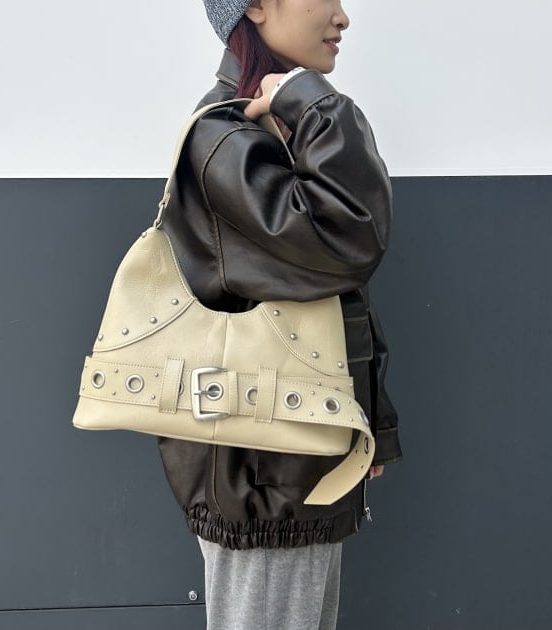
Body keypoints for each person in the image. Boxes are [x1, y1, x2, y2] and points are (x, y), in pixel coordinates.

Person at [156, 1, 403, 628]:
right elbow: (351, 241)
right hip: (266, 483)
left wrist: (368, 423)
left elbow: (332, 300)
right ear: (256, 7)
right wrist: (319, 103)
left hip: (294, 469)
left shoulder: (272, 130)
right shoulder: (228, 139)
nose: (343, 17)